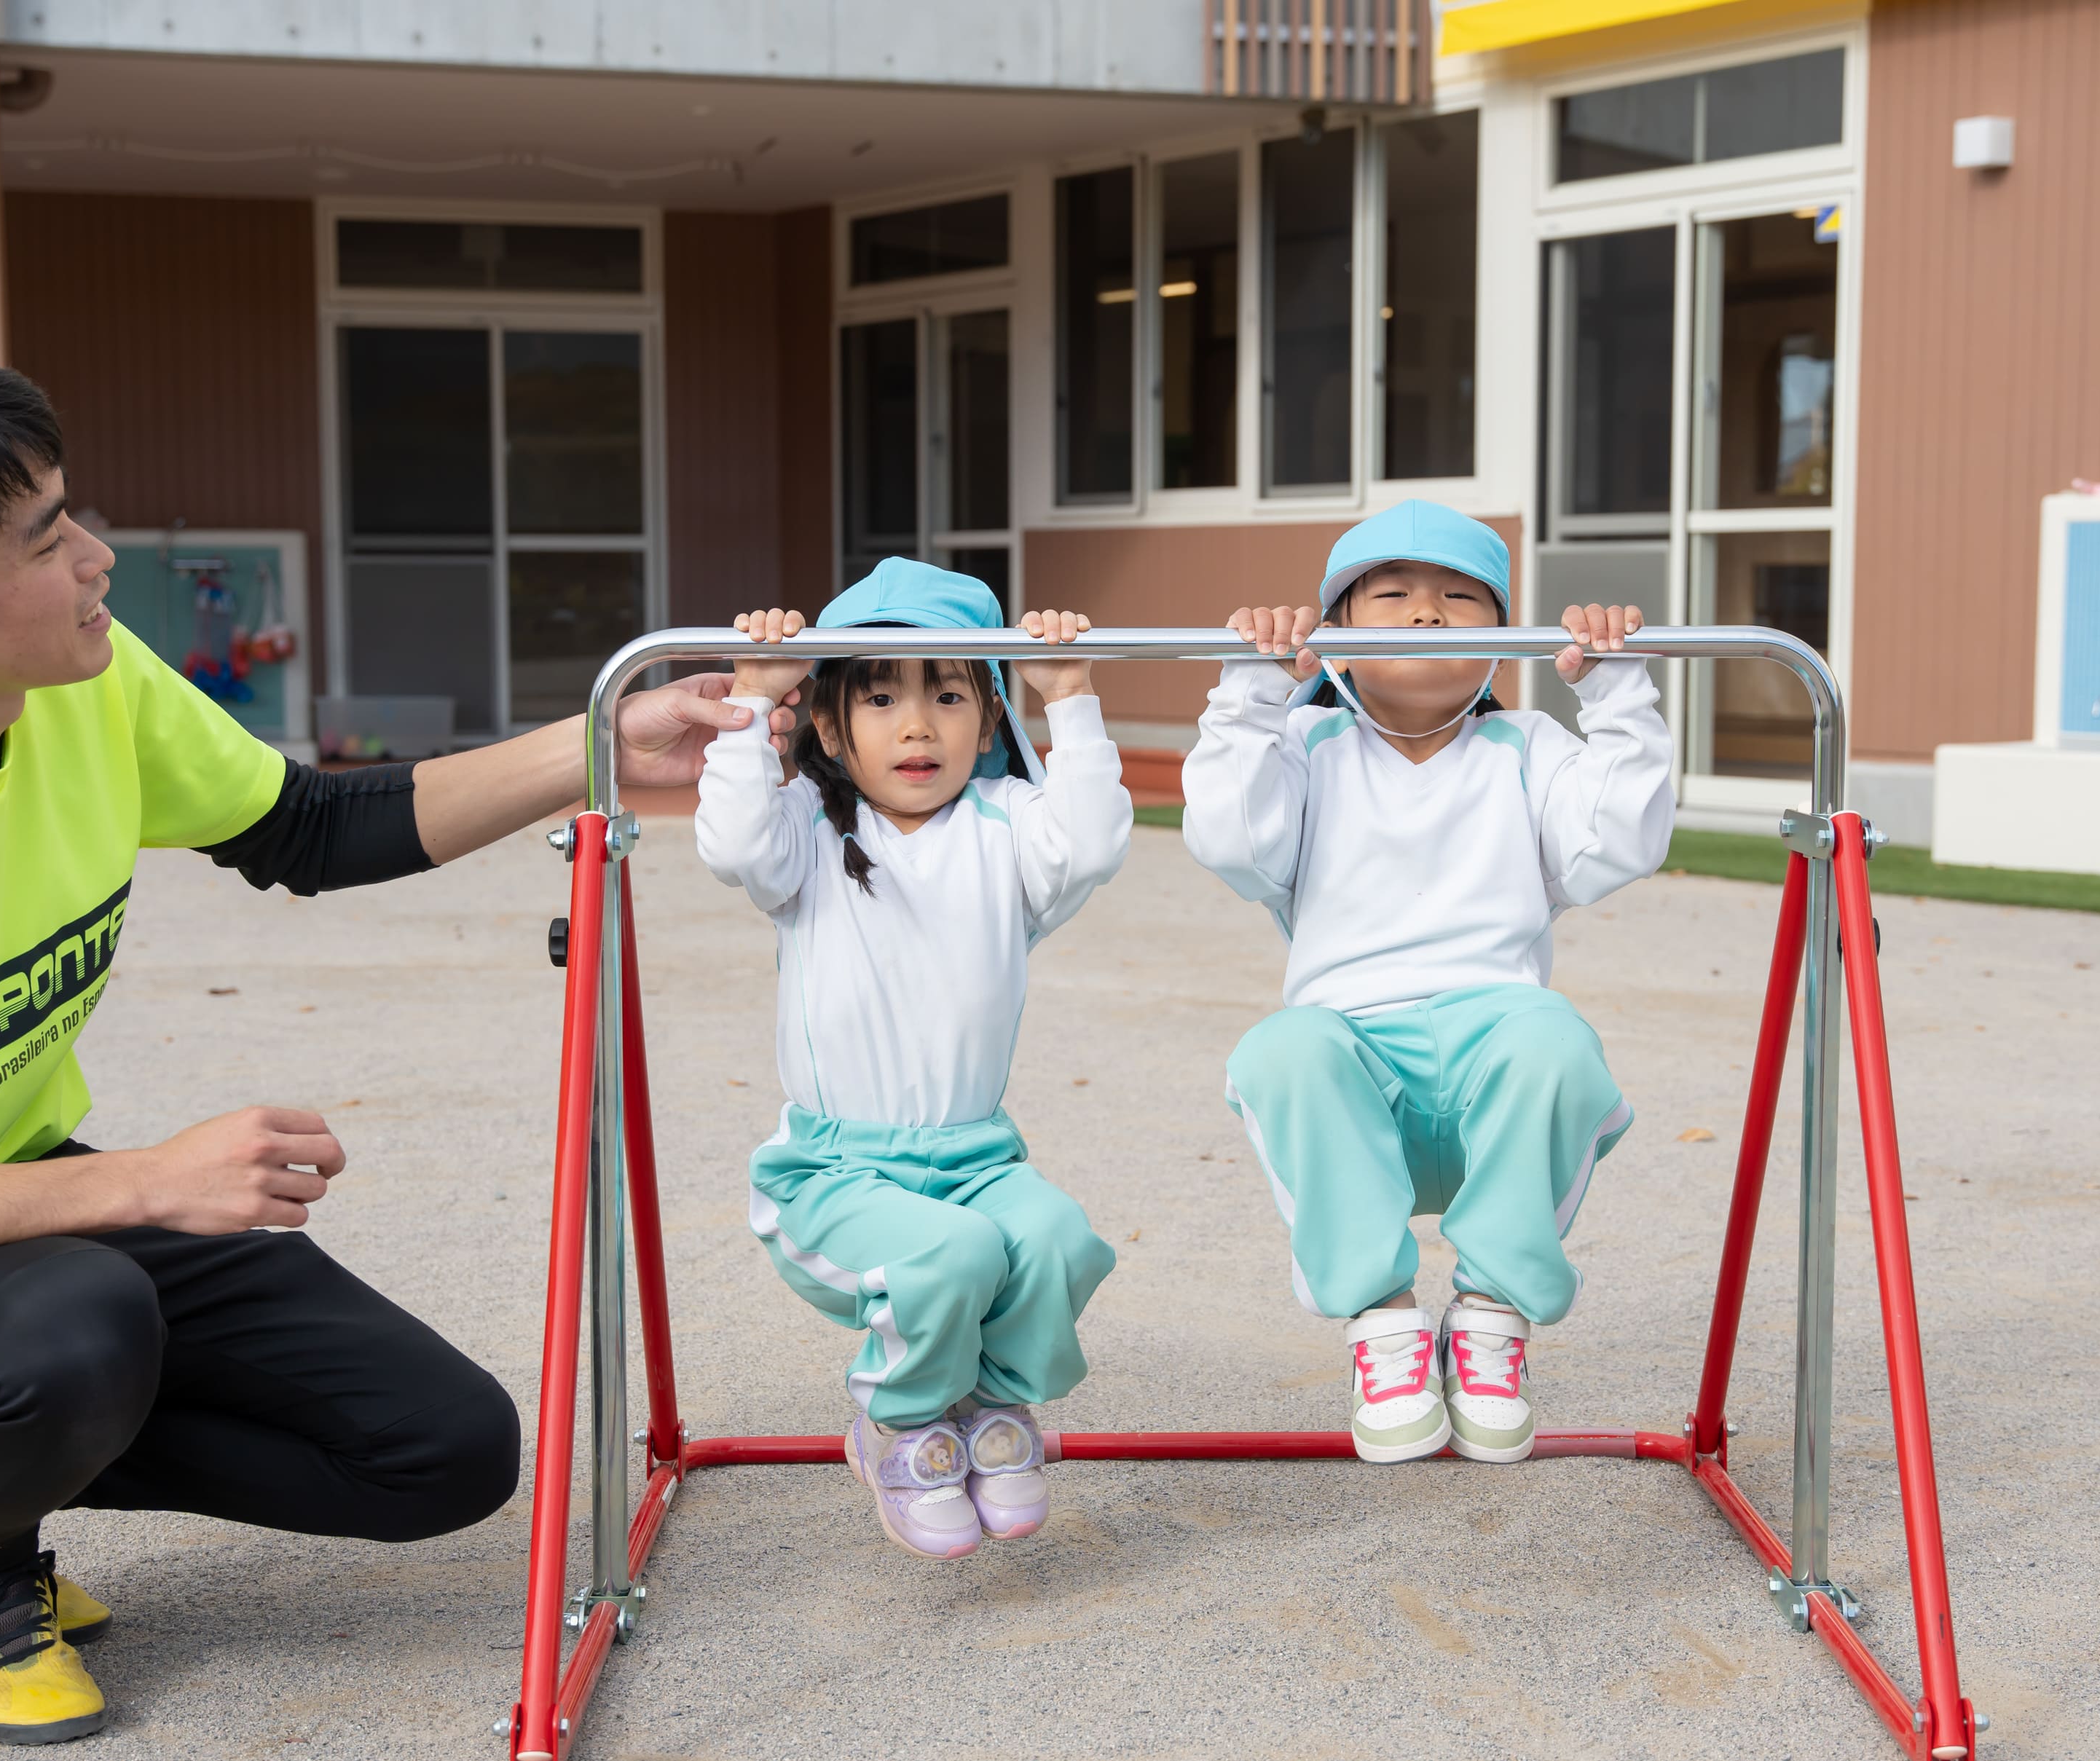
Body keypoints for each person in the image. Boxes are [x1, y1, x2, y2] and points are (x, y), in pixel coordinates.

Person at [0, 341, 793, 1745]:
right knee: (73, 1328)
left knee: (440, 1453)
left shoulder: (83, 685)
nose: (99, 557)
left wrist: (608, 736)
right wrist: (147, 1184)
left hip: (21, 1214)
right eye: (48, 539)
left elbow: (308, 829)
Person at [1180, 500, 1672, 1466]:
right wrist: (1248, 694)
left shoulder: (1529, 748)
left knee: (1553, 1034)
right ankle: (1385, 1330)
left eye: (1459, 599)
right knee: (1284, 1046)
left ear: (1500, 641)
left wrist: (1619, 696)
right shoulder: (1307, 751)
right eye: (1392, 596)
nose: (1426, 614)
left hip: (1500, 1074)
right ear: (1341, 641)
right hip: (1361, 1084)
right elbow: (1232, 843)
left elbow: (1618, 844)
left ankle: (1491, 1319)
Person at [696, 560, 1129, 1560]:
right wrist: (753, 700)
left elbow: (1094, 841)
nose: (919, 726)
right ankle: (899, 1419)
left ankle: (989, 1407)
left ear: (986, 719)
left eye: (947, 694)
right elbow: (731, 842)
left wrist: (1072, 700)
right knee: (953, 1256)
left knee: (1056, 1238)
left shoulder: (1007, 833)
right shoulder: (805, 832)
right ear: (836, 730)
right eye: (883, 697)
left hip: (979, 1159)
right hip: (836, 1173)